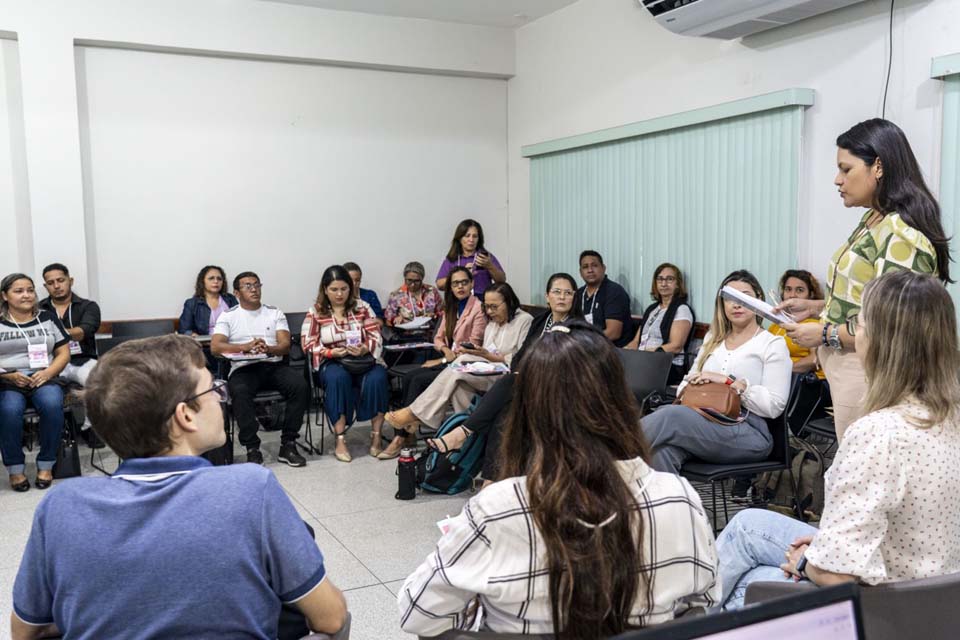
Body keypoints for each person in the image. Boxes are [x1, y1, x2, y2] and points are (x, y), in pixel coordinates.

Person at [11, 334, 349, 639]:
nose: (221, 397)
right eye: (213, 390)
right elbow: (331, 619)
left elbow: (24, 630)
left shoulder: (60, 505)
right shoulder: (250, 487)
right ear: (186, 416)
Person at [398, 322, 719, 638]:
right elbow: (702, 604)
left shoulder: (497, 508)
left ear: (524, 411)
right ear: (622, 402)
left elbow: (418, 614)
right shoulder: (680, 498)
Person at [716, 271, 960, 610]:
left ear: (880, 341)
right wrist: (822, 545)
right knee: (745, 525)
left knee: (745, 582)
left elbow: (837, 574)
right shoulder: (950, 418)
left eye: (857, 323)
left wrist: (807, 561)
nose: (853, 333)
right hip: (937, 597)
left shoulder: (877, 433)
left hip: (882, 606)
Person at [776, 119, 951, 440]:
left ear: (878, 167)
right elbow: (865, 295)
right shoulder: (873, 219)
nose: (837, 180)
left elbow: (891, 326)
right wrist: (816, 306)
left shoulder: (901, 234)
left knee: (863, 471)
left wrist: (824, 333)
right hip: (848, 366)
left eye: (846, 169)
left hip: (871, 371)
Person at [420, 273, 580, 480]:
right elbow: (520, 357)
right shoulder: (541, 321)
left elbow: (570, 368)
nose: (562, 297)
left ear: (574, 298)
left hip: (557, 389)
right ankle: (490, 480)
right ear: (547, 296)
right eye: (557, 292)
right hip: (527, 385)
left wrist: (529, 372)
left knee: (511, 382)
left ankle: (463, 433)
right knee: (504, 414)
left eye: (568, 293)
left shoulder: (578, 327)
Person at [641, 270, 791, 474]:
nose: (736, 304)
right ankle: (670, 506)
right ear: (722, 303)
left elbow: (774, 406)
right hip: (703, 421)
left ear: (759, 299)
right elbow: (683, 388)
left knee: (672, 416)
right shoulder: (714, 339)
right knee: (661, 452)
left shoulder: (772, 344)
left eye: (745, 296)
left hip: (750, 432)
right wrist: (697, 384)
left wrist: (728, 382)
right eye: (730, 298)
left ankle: (605, 456)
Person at [383, 283, 532, 438]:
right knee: (460, 381)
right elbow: (487, 351)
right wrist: (476, 352)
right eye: (487, 307)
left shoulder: (525, 321)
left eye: (494, 307)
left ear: (509, 302)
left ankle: (415, 413)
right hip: (488, 370)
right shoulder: (492, 322)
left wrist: (485, 355)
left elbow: (520, 359)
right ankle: (469, 435)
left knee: (457, 372)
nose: (489, 312)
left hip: (507, 376)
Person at [377, 267, 486, 460]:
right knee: (411, 376)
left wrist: (443, 358)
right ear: (450, 287)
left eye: (464, 282)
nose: (460, 286)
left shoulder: (477, 308)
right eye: (455, 283)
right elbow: (438, 338)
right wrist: (444, 351)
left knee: (418, 379)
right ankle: (408, 432)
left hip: (463, 364)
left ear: (471, 284)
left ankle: (402, 436)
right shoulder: (451, 307)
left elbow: (473, 345)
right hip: (449, 360)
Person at [211, 271, 307, 468]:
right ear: (237, 293)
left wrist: (269, 348)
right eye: (248, 286)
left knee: (300, 386)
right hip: (244, 368)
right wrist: (243, 347)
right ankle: (252, 448)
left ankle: (288, 443)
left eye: (257, 285)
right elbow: (216, 346)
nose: (254, 289)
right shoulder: (228, 316)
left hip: (273, 365)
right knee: (240, 390)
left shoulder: (274, 313)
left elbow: (285, 345)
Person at [301, 265, 388, 463]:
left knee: (378, 377)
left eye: (344, 289)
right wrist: (330, 351)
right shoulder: (316, 312)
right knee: (337, 378)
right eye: (334, 290)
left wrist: (365, 348)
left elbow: (375, 335)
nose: (339, 294)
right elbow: (308, 343)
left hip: (362, 359)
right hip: (333, 362)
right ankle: (340, 439)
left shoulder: (362, 307)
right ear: (325, 289)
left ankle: (376, 436)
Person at [0, 274, 70, 492]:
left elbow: (63, 353)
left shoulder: (48, 317)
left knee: (51, 404)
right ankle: (15, 469)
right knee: (9, 410)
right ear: (4, 295)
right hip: (8, 379)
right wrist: (7, 375)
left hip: (44, 376)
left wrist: (48, 373)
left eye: (30, 290)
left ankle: (46, 464)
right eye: (19, 291)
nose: (26, 295)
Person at [38, 262, 103, 447]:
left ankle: (90, 428)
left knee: (97, 379)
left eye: (60, 280)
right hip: (49, 361)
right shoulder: (38, 309)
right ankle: (53, 432)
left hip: (79, 360)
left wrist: (52, 333)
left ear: (70, 280)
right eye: (50, 283)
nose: (56, 286)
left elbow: (85, 331)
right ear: (45, 286)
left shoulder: (88, 306)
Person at [625, 262, 695, 384]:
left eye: (669, 279)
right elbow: (636, 341)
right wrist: (624, 352)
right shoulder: (652, 309)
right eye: (660, 279)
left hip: (666, 366)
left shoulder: (681, 309)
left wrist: (647, 355)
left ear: (678, 284)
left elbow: (676, 346)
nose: (664, 283)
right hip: (643, 361)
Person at [767, 270, 824, 379]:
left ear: (811, 295)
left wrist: (785, 369)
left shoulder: (814, 324)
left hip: (803, 386)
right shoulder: (776, 324)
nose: (792, 295)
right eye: (788, 289)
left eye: (800, 290)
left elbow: (815, 358)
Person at [574, 250, 633, 347]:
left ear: (603, 268)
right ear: (580, 272)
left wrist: (584, 343)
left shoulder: (614, 292)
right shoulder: (578, 294)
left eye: (594, 265)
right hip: (586, 348)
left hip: (612, 351)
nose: (590, 270)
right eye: (585, 267)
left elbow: (613, 333)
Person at [435, 219, 505, 295]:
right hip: (458, 301)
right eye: (467, 236)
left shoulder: (485, 257)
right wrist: (463, 274)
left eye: (475, 236)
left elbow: (501, 281)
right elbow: (440, 285)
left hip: (482, 301)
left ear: (479, 239)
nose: (471, 240)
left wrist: (490, 266)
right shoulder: (452, 258)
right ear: (459, 238)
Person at [178, 265, 239, 336]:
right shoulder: (192, 303)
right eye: (211, 278)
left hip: (230, 341)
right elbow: (184, 330)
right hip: (205, 344)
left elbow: (240, 322)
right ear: (202, 281)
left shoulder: (230, 299)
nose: (216, 281)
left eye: (219, 279)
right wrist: (192, 334)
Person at [384, 261, 443, 330]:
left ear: (422, 279)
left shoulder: (432, 291)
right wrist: (395, 319)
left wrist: (434, 315)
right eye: (409, 280)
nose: (413, 284)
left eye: (417, 281)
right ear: (404, 278)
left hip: (430, 331)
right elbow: (388, 321)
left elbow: (443, 312)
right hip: (406, 335)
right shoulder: (396, 295)